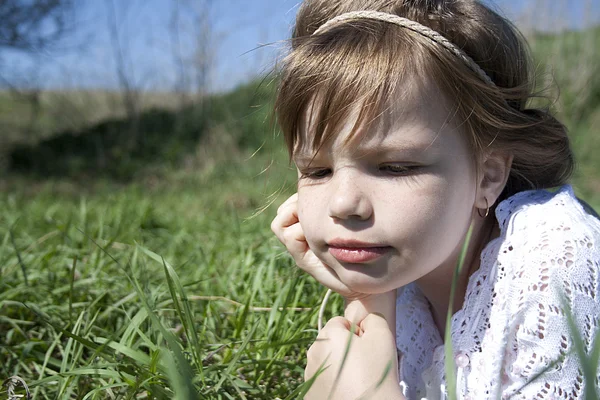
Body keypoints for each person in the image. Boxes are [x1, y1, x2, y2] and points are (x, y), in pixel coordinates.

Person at [270, 0, 600, 399]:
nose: (342, 204)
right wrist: (368, 300)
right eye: (316, 171)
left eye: (395, 167)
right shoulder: (406, 277)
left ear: (488, 176)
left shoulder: (557, 257)